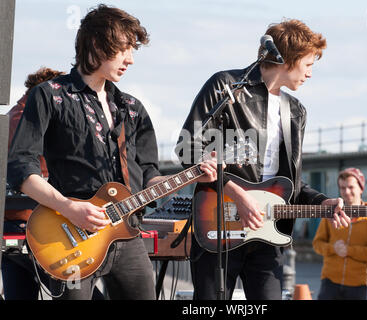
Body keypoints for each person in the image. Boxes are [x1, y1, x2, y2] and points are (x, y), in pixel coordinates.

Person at [7, 4, 217, 300]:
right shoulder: (50, 95)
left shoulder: (132, 109)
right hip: (70, 235)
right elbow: (20, 167)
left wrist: (190, 177)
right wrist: (70, 207)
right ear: (95, 44)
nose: (130, 60)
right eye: (123, 50)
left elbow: (148, 177)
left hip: (126, 235)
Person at [176, 19, 351, 300]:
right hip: (220, 224)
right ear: (287, 59)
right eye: (308, 65)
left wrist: (321, 202)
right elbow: (187, 150)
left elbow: (288, 181)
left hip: (269, 234)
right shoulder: (226, 86)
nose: (309, 74)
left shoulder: (295, 111)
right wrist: (237, 195)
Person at [2, 67, 64, 300]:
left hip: (11, 223)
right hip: (30, 222)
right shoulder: (28, 117)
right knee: (75, 291)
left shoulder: (13, 114)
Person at [312, 168, 367, 300]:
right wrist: (333, 248)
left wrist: (350, 251)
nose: (346, 192)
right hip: (329, 282)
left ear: (361, 188)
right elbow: (317, 244)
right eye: (342, 188)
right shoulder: (331, 214)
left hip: (357, 285)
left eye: (351, 187)